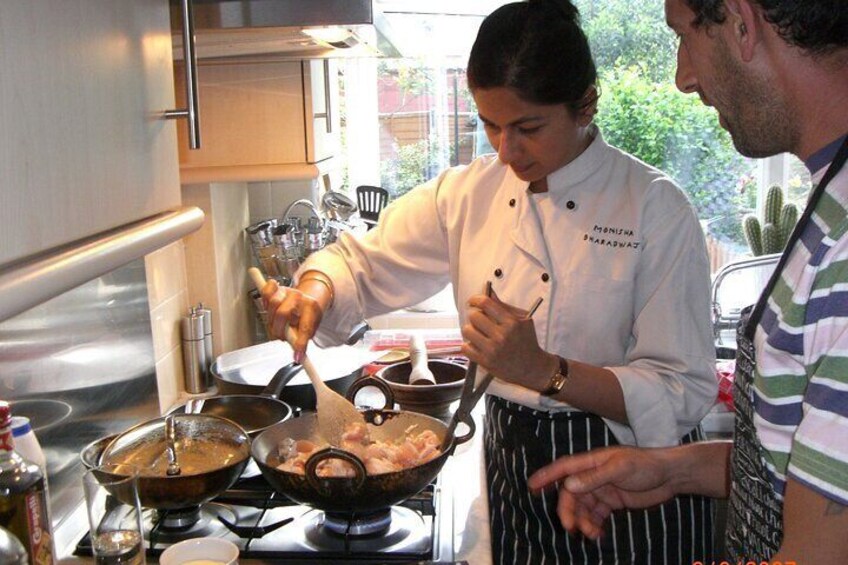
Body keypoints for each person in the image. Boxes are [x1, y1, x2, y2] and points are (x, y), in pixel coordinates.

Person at [261, 0, 718, 562]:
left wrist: (546, 372)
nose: (506, 150)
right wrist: (312, 291)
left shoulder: (654, 207)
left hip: (627, 477)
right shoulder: (466, 193)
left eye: (528, 127)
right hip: (512, 468)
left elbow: (682, 388)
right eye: (490, 126)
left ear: (585, 106)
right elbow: (361, 261)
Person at [528, 0, 848, 562]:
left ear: (741, 22)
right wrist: (673, 470)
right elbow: (810, 469)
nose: (682, 77)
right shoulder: (833, 199)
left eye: (684, 35)